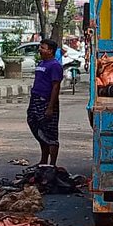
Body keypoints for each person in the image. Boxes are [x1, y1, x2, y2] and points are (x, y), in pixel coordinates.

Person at [27, 38, 63, 167]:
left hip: (47, 101)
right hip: (35, 100)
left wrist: (50, 107)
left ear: (50, 50)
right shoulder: (42, 63)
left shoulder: (55, 66)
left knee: (50, 133)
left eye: (43, 47)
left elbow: (56, 86)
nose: (40, 50)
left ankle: (52, 164)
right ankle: (43, 160)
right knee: (38, 128)